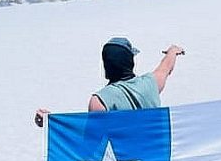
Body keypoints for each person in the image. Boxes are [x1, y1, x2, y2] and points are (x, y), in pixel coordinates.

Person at [34, 37, 185, 125]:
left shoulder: (100, 100)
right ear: (130, 61)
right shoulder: (151, 83)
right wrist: (173, 51)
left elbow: (90, 138)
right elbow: (166, 67)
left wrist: (52, 123)